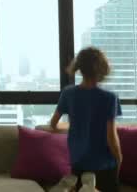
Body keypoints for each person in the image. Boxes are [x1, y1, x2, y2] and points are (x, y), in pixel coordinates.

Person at [49, 47, 123, 192]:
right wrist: (119, 158)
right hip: (104, 165)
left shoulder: (68, 93)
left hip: (78, 163)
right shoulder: (109, 98)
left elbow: (53, 124)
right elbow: (111, 137)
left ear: (80, 68)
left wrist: (74, 129)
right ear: (101, 69)